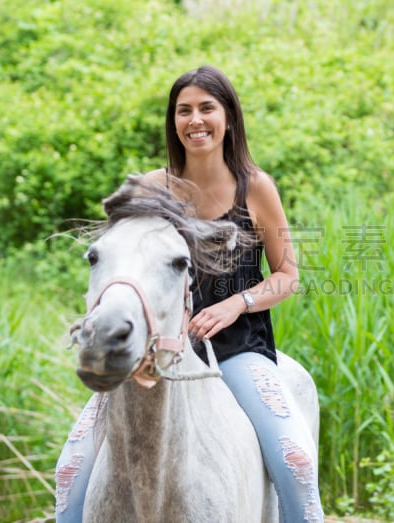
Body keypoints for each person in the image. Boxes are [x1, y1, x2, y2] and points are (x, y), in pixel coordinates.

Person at [55, 65, 324, 523]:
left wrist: (235, 304)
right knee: (69, 470)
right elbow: (124, 259)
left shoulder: (255, 188)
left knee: (296, 461)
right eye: (184, 111)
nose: (195, 120)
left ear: (229, 118)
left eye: (206, 108)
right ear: (173, 121)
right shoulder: (149, 189)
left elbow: (287, 275)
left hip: (238, 350)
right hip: (155, 351)